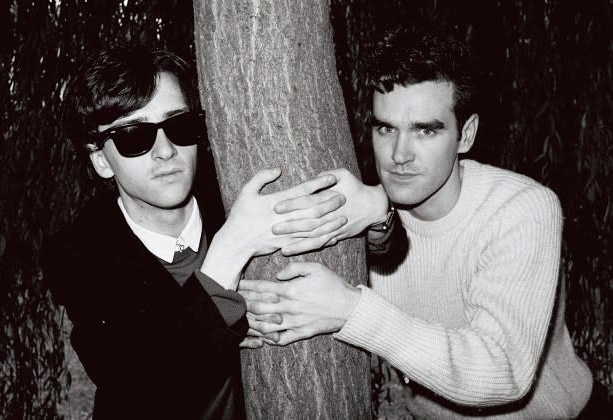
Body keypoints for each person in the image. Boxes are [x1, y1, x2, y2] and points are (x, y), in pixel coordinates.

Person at [239, 27, 598, 418]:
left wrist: (352, 310)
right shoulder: (366, 216)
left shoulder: (521, 209)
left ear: (466, 134)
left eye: (426, 130)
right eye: (385, 128)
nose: (399, 155)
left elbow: (502, 371)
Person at [41, 45, 346, 419]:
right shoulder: (79, 255)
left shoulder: (235, 193)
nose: (166, 150)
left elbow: (369, 251)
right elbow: (139, 385)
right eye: (135, 136)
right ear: (102, 160)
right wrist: (232, 249)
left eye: (179, 125)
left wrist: (381, 217)